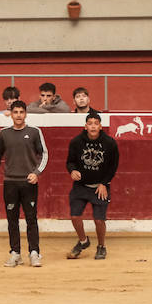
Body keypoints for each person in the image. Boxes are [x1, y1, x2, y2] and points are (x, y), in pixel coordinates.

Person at [0, 99, 48, 268]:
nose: (19, 115)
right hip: (10, 182)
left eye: (21, 112)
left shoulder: (35, 132)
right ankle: (15, 253)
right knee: (12, 220)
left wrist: (36, 173)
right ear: (11, 114)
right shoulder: (4, 133)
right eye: (16, 112)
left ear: (25, 114)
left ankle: (34, 253)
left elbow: (44, 154)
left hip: (29, 182)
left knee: (31, 219)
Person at [64, 109, 119, 260]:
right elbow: (70, 161)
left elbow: (113, 167)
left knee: (99, 220)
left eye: (96, 124)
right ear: (85, 126)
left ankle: (101, 246)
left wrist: (104, 183)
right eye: (90, 124)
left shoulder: (110, 143)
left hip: (100, 186)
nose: (93, 126)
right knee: (75, 216)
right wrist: (72, 170)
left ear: (101, 126)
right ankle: (83, 241)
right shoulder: (76, 142)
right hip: (81, 186)